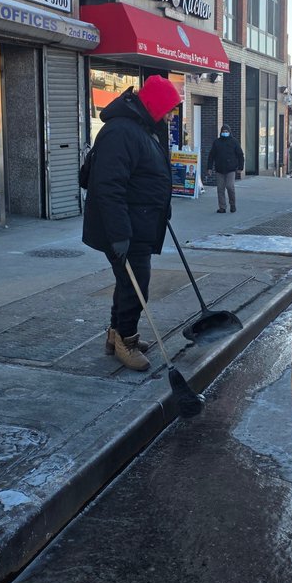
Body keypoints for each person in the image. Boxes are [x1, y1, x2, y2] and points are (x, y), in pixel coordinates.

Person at [82, 75, 181, 371]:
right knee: (136, 287)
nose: (169, 115)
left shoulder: (142, 128)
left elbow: (146, 176)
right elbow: (108, 187)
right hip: (125, 228)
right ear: (153, 104)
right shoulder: (122, 132)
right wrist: (120, 233)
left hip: (140, 222)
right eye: (167, 108)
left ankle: (116, 336)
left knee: (128, 283)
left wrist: (161, 207)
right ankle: (126, 340)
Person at [207, 124, 244, 213]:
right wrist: (209, 168)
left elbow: (240, 155)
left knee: (230, 186)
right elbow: (211, 155)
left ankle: (232, 204)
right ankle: (222, 207)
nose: (225, 133)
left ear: (229, 132)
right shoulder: (217, 142)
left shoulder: (234, 142)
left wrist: (240, 167)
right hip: (219, 169)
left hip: (231, 169)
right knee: (220, 189)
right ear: (221, 132)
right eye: (223, 131)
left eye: (226, 131)